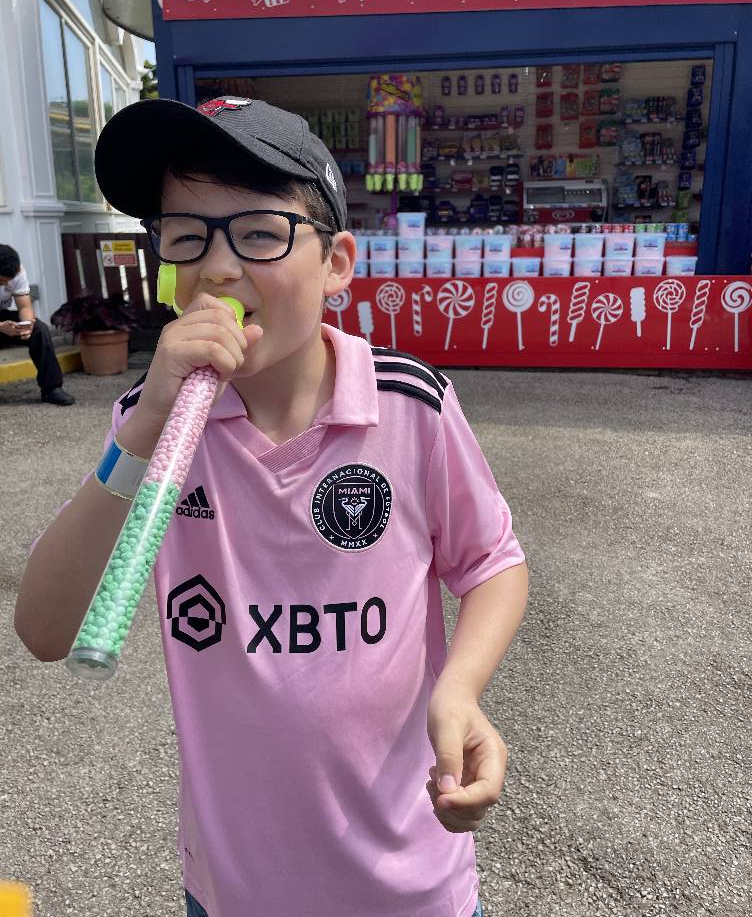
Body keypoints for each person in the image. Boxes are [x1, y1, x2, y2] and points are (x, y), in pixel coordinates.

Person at [15, 97, 528, 917]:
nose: (218, 268)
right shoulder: (150, 425)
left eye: (259, 233)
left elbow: (492, 563)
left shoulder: (410, 405)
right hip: (234, 887)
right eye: (187, 237)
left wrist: (461, 691)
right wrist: (145, 425)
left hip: (409, 884)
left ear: (336, 264)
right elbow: (45, 630)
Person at [0, 244, 75, 405]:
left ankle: (52, 389)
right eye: (1, 281)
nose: (6, 285)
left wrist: (27, 325)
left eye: (9, 281)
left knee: (39, 329)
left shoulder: (17, 272)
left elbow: (24, 306)